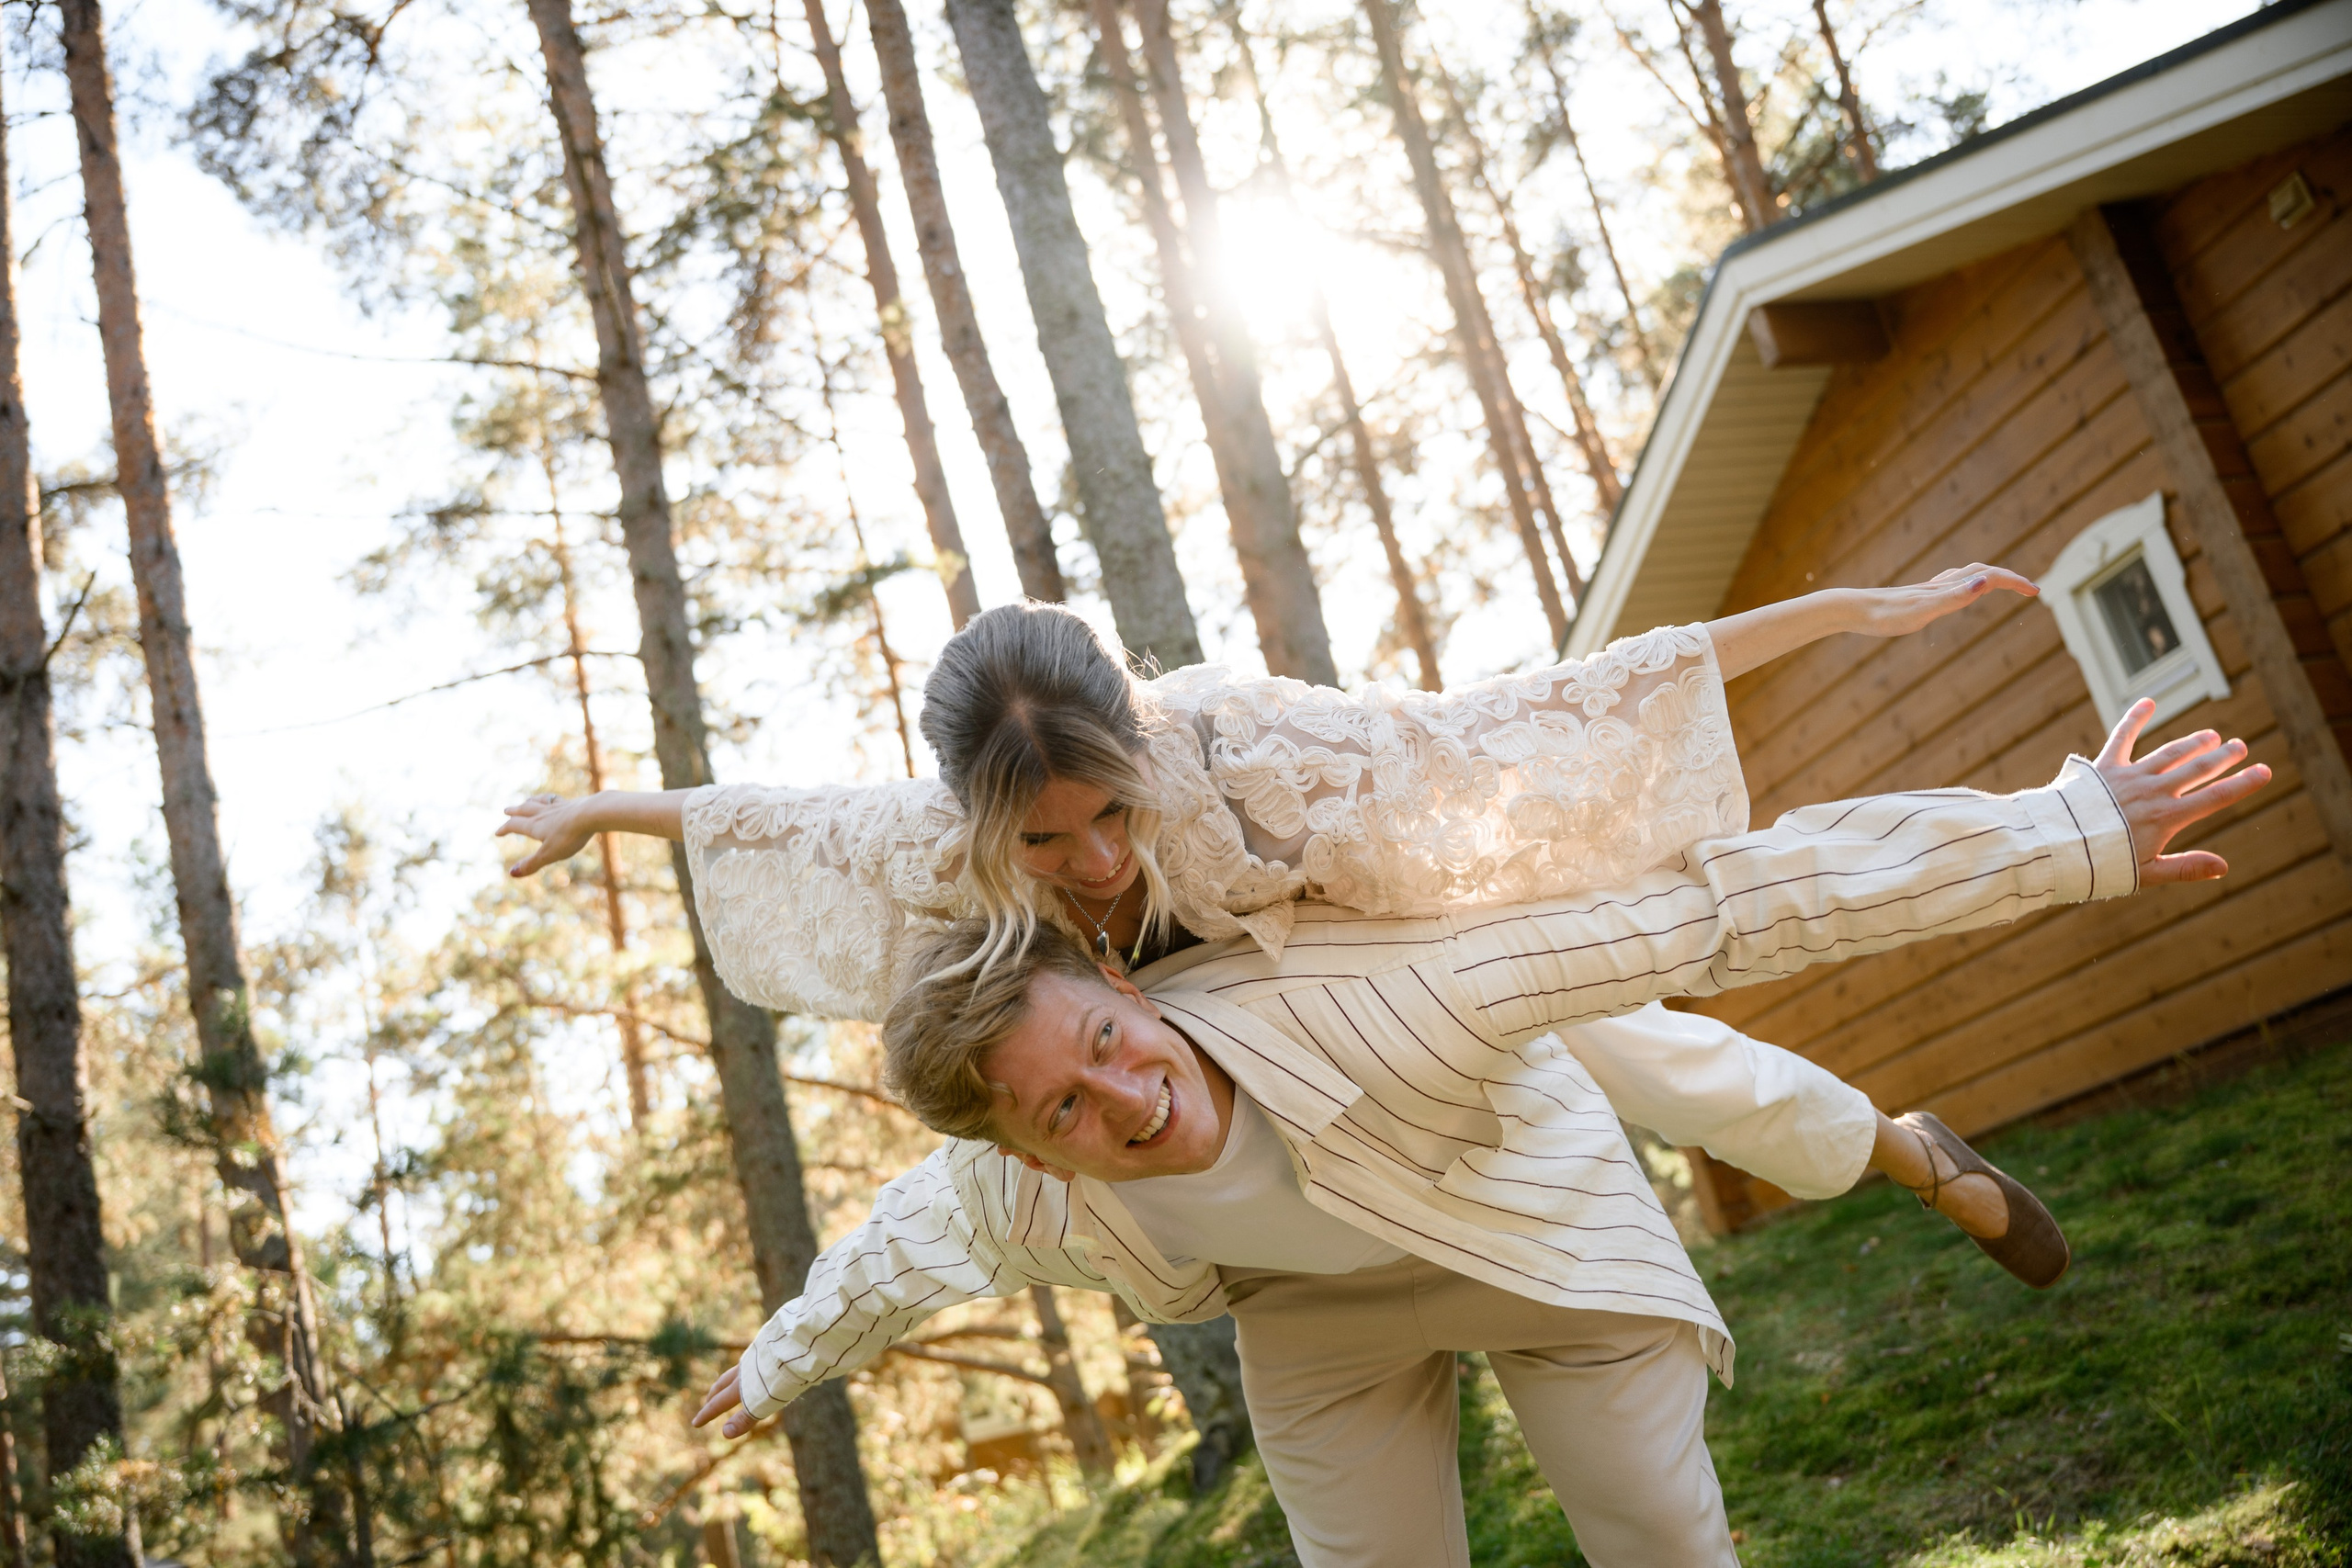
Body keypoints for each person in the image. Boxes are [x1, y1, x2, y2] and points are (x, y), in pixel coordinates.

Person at [686, 704, 2264, 1567]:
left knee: (1649, 1489)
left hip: (1509, 1190)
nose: (1123, 1102)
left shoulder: (1257, 808)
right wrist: (778, 1364)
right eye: (1065, 1115)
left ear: (1117, 980)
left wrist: (2060, 835)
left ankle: (1905, 1149)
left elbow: (1711, 907)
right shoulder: (1014, 1179)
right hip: (1320, 1319)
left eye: (1107, 1048)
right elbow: (901, 1248)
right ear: (1025, 1152)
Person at [499, 570, 2064, 1272]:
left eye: (1112, 812)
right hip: (1183, 1054)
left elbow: (1522, 717)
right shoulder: (935, 837)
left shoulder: (1245, 747)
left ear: (1143, 751)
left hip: (1348, 950)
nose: (1097, 859)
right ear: (981, 819)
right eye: (1047, 840)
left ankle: (1894, 1147)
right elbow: (757, 812)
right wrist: (594, 813)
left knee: (1619, 1037)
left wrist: (1838, 613)